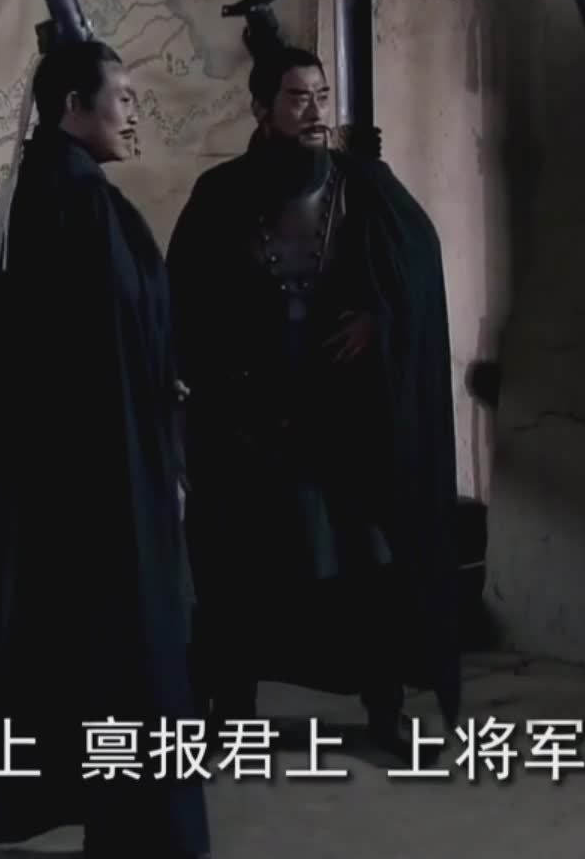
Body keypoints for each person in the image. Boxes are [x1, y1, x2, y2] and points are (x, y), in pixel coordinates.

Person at [166, 44, 461, 756]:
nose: (314, 111)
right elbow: (184, 300)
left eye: (321, 96)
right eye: (297, 98)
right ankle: (231, 706)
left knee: (369, 564)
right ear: (262, 109)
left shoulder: (365, 187)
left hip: (346, 413)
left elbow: (416, 275)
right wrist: (215, 383)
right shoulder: (221, 195)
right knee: (235, 566)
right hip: (248, 410)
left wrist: (379, 318)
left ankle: (384, 707)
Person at [0, 39, 209, 859]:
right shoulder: (75, 202)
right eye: (122, 96)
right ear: (73, 105)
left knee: (62, 641)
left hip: (57, 474)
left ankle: (69, 801)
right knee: (128, 647)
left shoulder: (31, 193)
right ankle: (142, 833)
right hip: (105, 473)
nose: (133, 112)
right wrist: (153, 459)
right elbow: (105, 357)